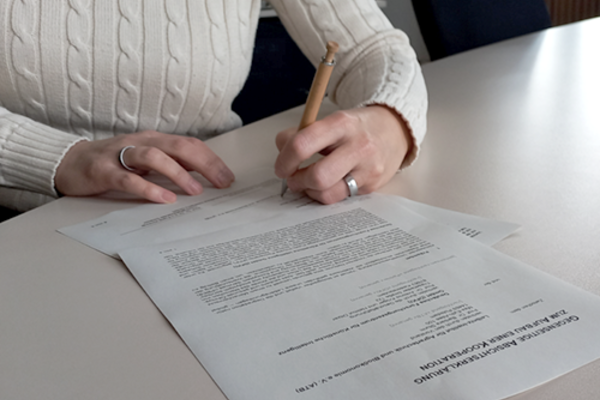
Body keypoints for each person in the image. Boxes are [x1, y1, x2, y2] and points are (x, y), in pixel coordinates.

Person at [0, 0, 427, 213]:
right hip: (22, 217)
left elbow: (373, 48)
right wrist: (58, 157)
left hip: (204, 204)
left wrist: (387, 123)